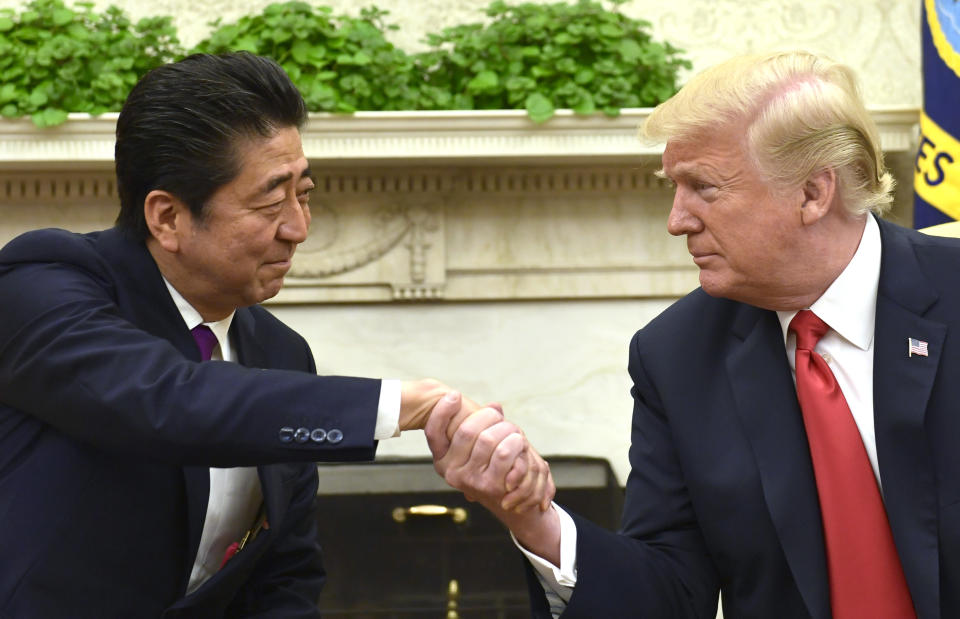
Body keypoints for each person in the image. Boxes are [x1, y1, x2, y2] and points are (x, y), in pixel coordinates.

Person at [0, 52, 552, 617]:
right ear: (168, 217)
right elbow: (166, 399)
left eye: (304, 194)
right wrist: (399, 406)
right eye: (270, 200)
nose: (298, 228)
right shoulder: (46, 282)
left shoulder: (281, 353)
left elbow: (284, 574)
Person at [427, 50, 960, 618]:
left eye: (703, 188)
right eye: (673, 187)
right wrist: (533, 516)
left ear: (812, 193)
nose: (676, 220)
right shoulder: (677, 355)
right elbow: (671, 593)